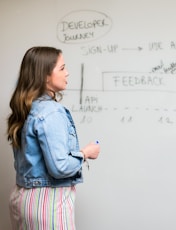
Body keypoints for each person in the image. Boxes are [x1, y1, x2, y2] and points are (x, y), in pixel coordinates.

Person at [7, 46, 100, 229]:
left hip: (21, 198)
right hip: (47, 203)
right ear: (45, 76)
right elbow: (60, 167)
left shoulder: (26, 107)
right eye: (62, 68)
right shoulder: (51, 111)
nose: (67, 73)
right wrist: (85, 153)